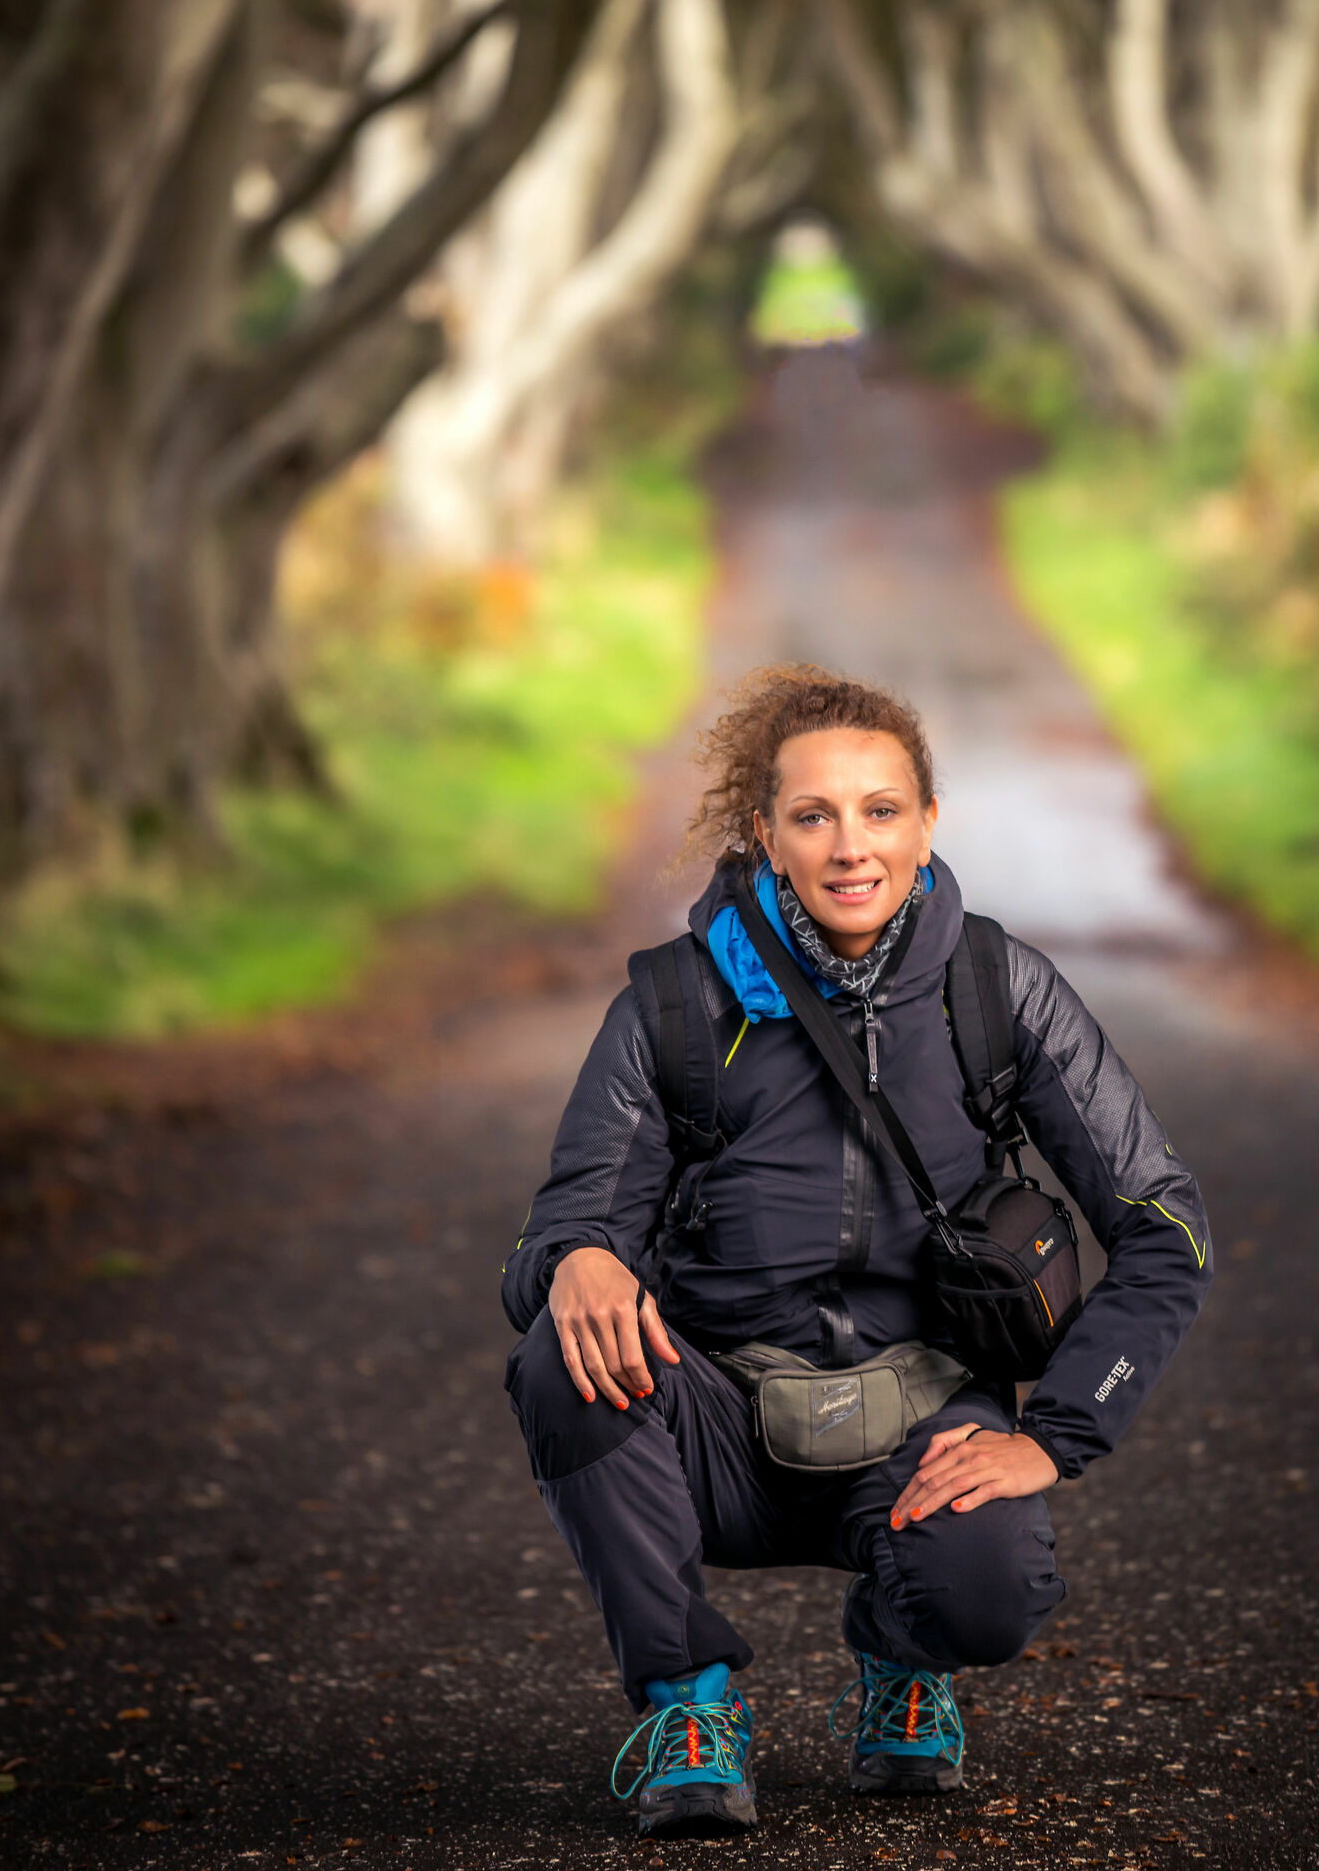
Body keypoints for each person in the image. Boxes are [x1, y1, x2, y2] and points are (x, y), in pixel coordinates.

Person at [502, 666, 1211, 1835]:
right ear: (763, 834)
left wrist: (1055, 1437)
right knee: (557, 1361)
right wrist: (573, 1256)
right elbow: (551, 1235)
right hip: (717, 1423)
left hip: (923, 1429)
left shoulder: (997, 989)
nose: (851, 847)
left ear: (929, 823)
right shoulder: (676, 1008)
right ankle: (688, 1705)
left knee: (990, 1597)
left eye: (881, 810)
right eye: (814, 815)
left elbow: (1165, 1227)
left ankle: (903, 1655)